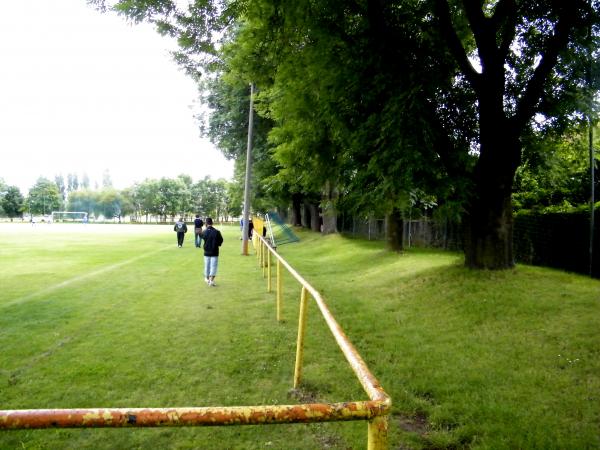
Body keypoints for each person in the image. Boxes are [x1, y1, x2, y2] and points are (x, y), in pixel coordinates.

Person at [201, 217, 223, 286]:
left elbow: (202, 237)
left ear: (206, 224)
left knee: (207, 265)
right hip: (215, 251)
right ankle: (211, 280)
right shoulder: (217, 232)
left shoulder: (204, 232)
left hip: (206, 251)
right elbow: (221, 240)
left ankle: (207, 278)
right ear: (212, 223)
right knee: (213, 266)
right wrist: (217, 244)